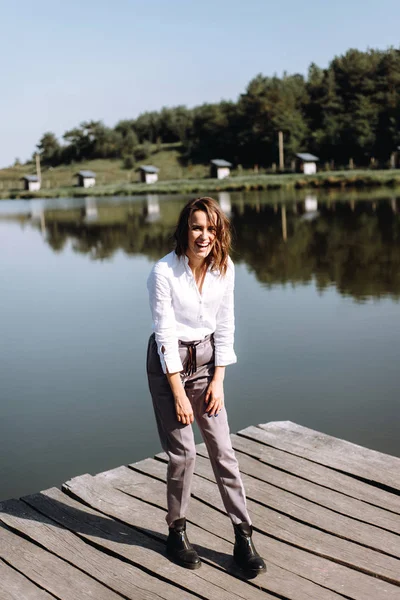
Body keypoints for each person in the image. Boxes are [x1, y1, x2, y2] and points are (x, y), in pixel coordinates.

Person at [146, 196, 266, 576]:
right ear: (184, 229)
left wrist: (219, 379)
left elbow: (226, 324)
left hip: (208, 362)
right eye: (197, 227)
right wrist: (179, 392)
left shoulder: (225, 267)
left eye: (211, 229)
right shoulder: (163, 272)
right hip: (170, 368)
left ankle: (243, 535)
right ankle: (176, 532)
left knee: (223, 452)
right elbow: (165, 336)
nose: (204, 236)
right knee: (184, 455)